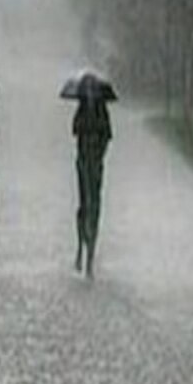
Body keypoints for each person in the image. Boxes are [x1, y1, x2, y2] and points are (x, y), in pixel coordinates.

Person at [73, 94, 112, 277]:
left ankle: (90, 256)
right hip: (82, 164)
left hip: (95, 165)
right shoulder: (80, 110)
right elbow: (75, 132)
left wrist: (98, 153)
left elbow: (107, 137)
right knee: (84, 205)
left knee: (95, 206)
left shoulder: (102, 112)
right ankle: (80, 247)